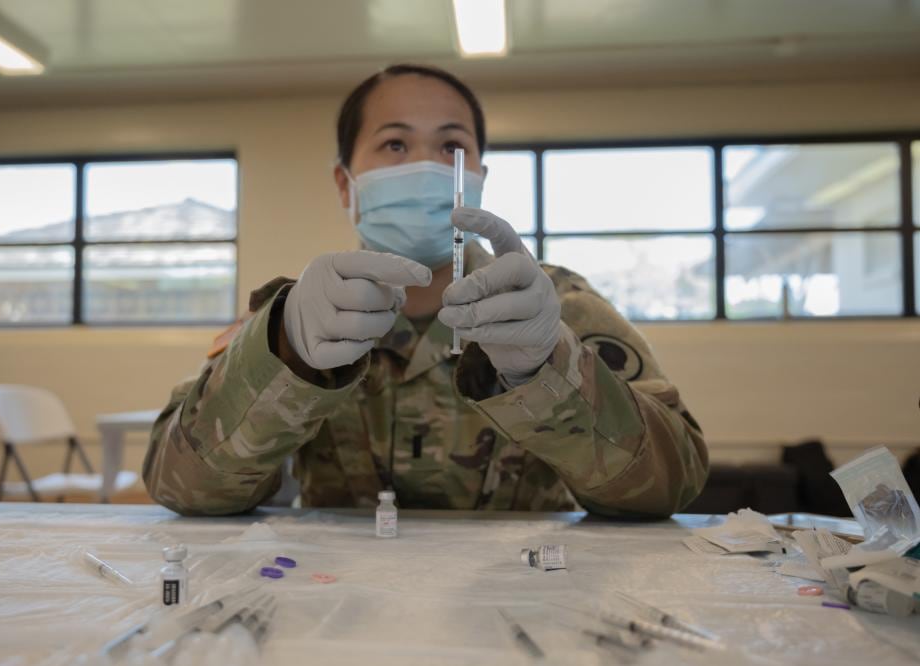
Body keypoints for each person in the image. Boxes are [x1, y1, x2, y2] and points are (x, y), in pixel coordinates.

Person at [143, 64, 709, 517]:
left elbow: (672, 484)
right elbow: (185, 489)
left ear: (480, 174)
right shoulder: (299, 319)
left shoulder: (557, 306)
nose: (425, 166)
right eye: (393, 145)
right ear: (347, 184)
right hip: (333, 610)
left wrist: (550, 372)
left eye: (450, 147)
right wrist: (285, 355)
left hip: (524, 603)